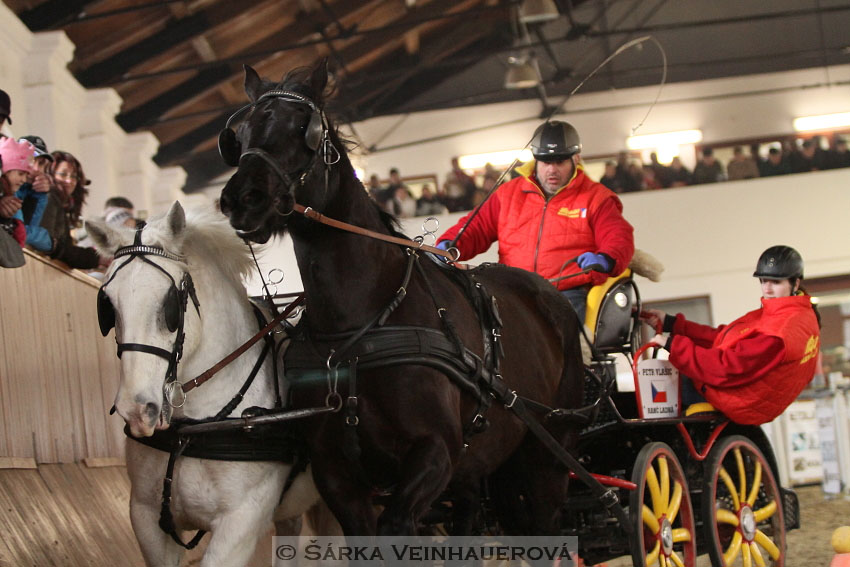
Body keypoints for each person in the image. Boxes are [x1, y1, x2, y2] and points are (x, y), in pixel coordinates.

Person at [436, 120, 635, 321]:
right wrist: (450, 246)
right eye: (546, 162)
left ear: (576, 159)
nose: (552, 170)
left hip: (566, 293)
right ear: (536, 161)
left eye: (560, 162)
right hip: (512, 291)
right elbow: (476, 227)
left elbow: (617, 236)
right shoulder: (507, 194)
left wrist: (606, 258)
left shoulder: (596, 198)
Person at [640, 245, 820, 425]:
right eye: (764, 281)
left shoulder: (779, 332)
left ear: (795, 283)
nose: (767, 289)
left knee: (661, 386)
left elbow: (726, 366)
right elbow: (726, 338)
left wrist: (673, 345)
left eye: (776, 282)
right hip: (746, 393)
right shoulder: (797, 314)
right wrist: (672, 324)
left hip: (741, 400)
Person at [39, 151, 102, 269]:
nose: (69, 181)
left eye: (74, 176)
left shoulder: (61, 205)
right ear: (50, 174)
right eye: (63, 174)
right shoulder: (49, 198)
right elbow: (49, 244)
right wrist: (95, 258)